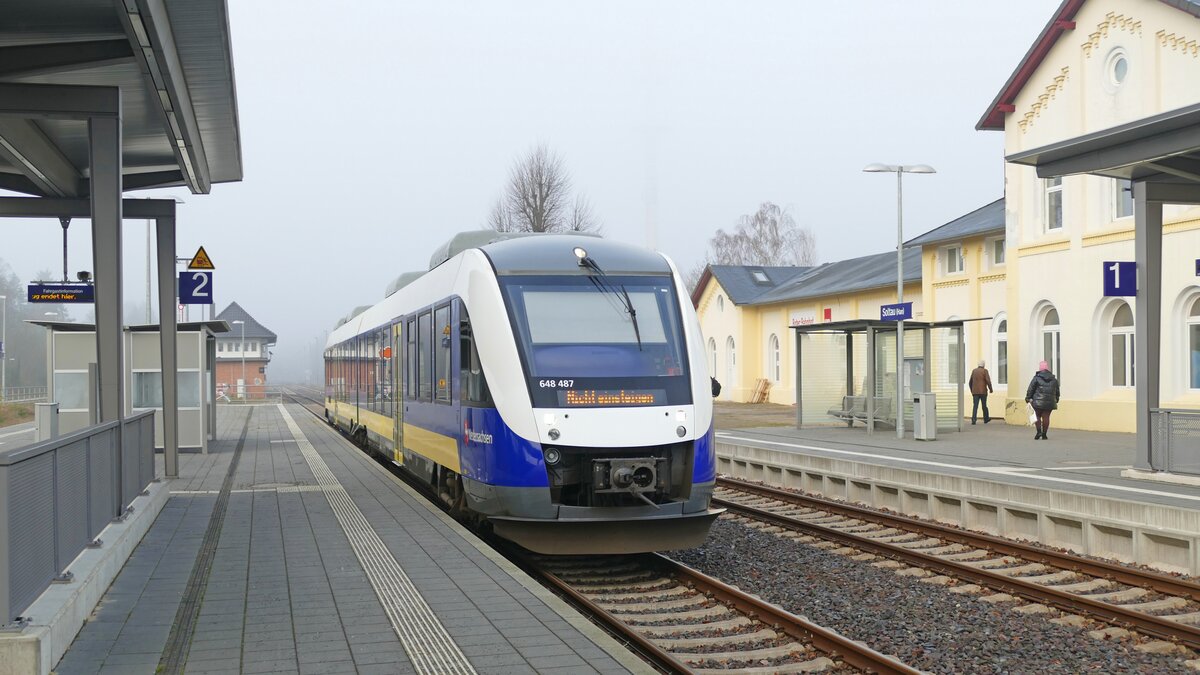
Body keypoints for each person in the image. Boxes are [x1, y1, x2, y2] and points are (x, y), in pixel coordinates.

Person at [1025, 360, 1060, 440]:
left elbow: (1030, 389)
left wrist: (1028, 398)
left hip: (1037, 401)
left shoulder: (1036, 378)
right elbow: (1057, 391)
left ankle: (1038, 432)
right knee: (1046, 417)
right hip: (1050, 402)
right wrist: (1056, 399)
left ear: (1040, 368)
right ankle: (1044, 434)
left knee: (1037, 416)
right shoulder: (1054, 379)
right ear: (1047, 369)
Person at [968, 360, 993, 425]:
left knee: (975, 406)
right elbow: (988, 381)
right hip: (983, 392)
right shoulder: (985, 371)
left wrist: (972, 390)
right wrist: (991, 389)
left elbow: (970, 382)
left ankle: (973, 420)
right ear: (984, 365)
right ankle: (986, 418)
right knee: (984, 406)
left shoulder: (974, 371)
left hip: (975, 392)